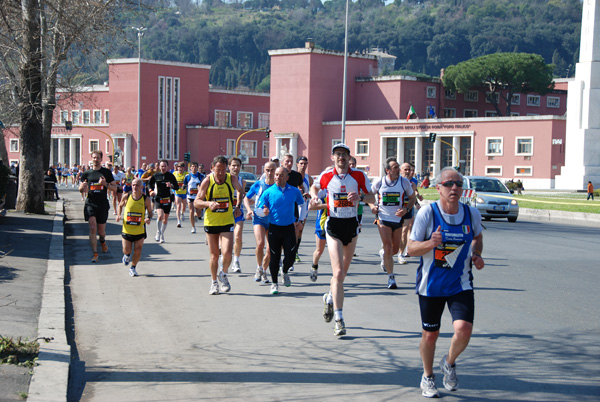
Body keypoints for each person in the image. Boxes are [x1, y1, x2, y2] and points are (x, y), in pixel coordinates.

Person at [407, 166, 485, 398]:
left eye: (458, 184)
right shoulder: (427, 214)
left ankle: (449, 363)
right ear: (438, 188)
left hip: (460, 284)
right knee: (430, 335)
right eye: (449, 184)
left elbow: (477, 238)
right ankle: (428, 376)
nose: (454, 188)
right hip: (431, 286)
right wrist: (430, 243)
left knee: (464, 330)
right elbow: (411, 249)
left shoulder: (472, 214)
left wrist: (477, 254)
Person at [310, 143, 373, 336]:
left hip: (351, 226)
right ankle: (339, 319)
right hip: (334, 225)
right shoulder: (327, 175)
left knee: (342, 275)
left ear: (349, 158)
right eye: (338, 155)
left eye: (344, 155)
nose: (341, 158)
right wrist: (314, 197)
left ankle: (329, 298)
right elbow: (315, 186)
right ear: (332, 157)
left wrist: (360, 197)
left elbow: (372, 198)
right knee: (337, 273)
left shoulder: (359, 176)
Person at [194, 155, 244, 295]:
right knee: (214, 255)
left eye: (223, 170)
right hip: (211, 223)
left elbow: (240, 190)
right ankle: (214, 282)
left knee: (228, 253)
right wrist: (208, 203)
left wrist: (238, 205)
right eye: (218, 170)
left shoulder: (231, 179)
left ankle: (224, 273)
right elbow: (196, 202)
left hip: (227, 221)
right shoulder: (207, 181)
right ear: (212, 168)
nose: (221, 173)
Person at [369, 157, 416, 289]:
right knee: (388, 246)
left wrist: (406, 209)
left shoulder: (404, 182)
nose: (398, 169)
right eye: (395, 167)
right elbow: (368, 195)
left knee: (394, 250)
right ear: (387, 170)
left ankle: (384, 255)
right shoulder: (380, 181)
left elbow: (412, 198)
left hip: (398, 218)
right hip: (383, 218)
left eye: (398, 166)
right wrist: (372, 206)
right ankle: (391, 278)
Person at [258, 167, 305, 294]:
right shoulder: (268, 192)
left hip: (289, 228)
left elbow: (302, 204)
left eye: (281, 175)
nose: (278, 177)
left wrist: (300, 220)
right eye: (276, 175)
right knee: (274, 257)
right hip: (274, 228)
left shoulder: (294, 191)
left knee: (290, 256)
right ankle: (274, 284)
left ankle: (284, 272)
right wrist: (263, 211)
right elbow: (258, 209)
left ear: (287, 177)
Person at [79, 150, 117, 263]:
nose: (95, 159)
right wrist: (82, 188)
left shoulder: (106, 172)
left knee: (101, 232)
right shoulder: (87, 173)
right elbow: (80, 188)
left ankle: (103, 241)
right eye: (94, 157)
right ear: (91, 158)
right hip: (90, 203)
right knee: (92, 228)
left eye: (97, 158)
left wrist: (105, 184)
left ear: (101, 159)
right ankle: (95, 253)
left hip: (102, 204)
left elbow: (115, 188)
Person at [243, 161, 276, 284]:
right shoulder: (258, 184)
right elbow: (246, 198)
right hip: (259, 218)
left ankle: (264, 270)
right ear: (264, 171)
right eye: (267, 170)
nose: (270, 173)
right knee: (260, 244)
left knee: (270, 249)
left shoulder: (279, 187)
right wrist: (249, 210)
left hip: (273, 220)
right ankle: (259, 267)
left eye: (272, 170)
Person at [116, 178, 153, 276]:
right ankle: (127, 255)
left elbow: (150, 212)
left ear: (141, 187)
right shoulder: (126, 197)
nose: (134, 187)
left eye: (137, 185)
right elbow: (120, 206)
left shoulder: (146, 199)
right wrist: (119, 215)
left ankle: (133, 267)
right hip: (127, 229)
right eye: (133, 185)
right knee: (126, 250)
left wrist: (148, 218)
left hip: (139, 230)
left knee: (138, 250)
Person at [148, 160, 179, 243]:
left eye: (165, 166)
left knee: (165, 219)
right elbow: (149, 184)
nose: (163, 168)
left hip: (167, 199)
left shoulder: (170, 176)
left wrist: (171, 185)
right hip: (158, 198)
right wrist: (151, 191)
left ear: (167, 167)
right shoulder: (156, 175)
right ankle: (158, 232)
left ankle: (162, 234)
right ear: (159, 167)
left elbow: (176, 187)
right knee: (160, 216)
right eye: (162, 166)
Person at [399, 162, 423, 264]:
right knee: (395, 232)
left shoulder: (413, 183)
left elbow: (413, 195)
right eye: (406, 170)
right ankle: (387, 248)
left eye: (410, 170)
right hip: (395, 209)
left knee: (406, 230)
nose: (409, 172)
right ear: (400, 171)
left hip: (408, 208)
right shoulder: (396, 181)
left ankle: (401, 254)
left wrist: (416, 202)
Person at [228, 157, 246, 273]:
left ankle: (236, 260)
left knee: (238, 236)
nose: (236, 168)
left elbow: (243, 194)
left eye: (238, 165)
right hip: (225, 211)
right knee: (225, 239)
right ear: (229, 167)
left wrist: (243, 202)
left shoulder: (242, 181)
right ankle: (223, 259)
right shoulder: (225, 179)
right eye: (233, 165)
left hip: (238, 210)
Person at [294, 156, 313, 263]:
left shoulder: (308, 178)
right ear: (297, 164)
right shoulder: (292, 176)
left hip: (304, 207)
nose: (303, 165)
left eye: (305, 163)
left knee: (300, 230)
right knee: (293, 230)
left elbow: (314, 190)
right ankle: (290, 251)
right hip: (293, 207)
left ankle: (295, 252)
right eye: (301, 163)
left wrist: (309, 194)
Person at [184, 161, 205, 233]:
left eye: (195, 166)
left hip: (198, 197)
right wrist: (183, 187)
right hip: (190, 196)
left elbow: (204, 186)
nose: (194, 168)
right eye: (192, 166)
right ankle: (193, 227)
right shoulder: (187, 176)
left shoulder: (201, 176)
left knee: (199, 213)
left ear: (197, 168)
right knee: (191, 211)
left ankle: (196, 216)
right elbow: (184, 185)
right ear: (190, 168)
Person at [173, 162, 188, 227]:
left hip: (184, 193)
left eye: (181, 167)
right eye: (179, 167)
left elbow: (189, 182)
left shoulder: (186, 174)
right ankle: (178, 221)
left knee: (184, 207)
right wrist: (173, 189)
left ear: (183, 168)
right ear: (177, 168)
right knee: (178, 206)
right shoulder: (174, 174)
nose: (180, 168)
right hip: (177, 192)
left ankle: (182, 213)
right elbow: (172, 182)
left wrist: (185, 186)